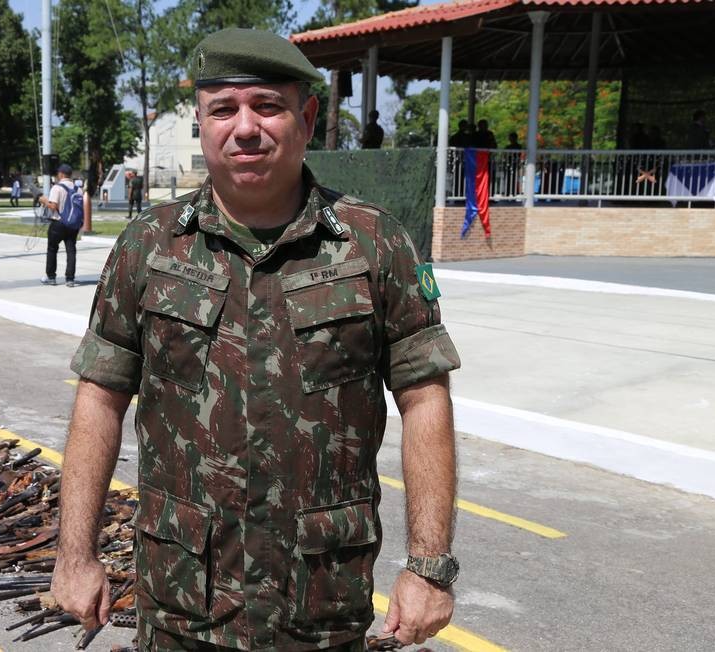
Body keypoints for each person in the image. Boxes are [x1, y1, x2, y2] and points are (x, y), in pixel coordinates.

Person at [53, 27, 461, 652]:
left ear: (307, 116)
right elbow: (100, 397)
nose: (245, 127)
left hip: (321, 611)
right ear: (202, 121)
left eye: (267, 105)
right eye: (223, 109)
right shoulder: (149, 247)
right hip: (182, 610)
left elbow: (425, 397)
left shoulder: (373, 245)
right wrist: (74, 553)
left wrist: (429, 566)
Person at [37, 163, 80, 287]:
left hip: (58, 223)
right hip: (73, 224)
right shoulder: (78, 189)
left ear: (61, 174)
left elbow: (53, 206)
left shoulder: (57, 188)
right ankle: (70, 278)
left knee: (52, 249)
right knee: (71, 250)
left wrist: (44, 200)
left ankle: (51, 277)